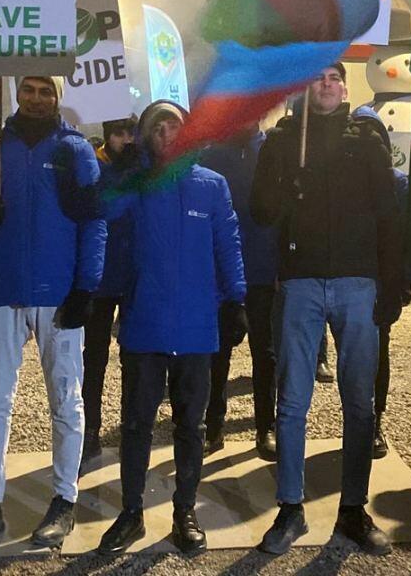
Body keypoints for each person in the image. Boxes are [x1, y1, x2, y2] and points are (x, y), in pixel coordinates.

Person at [251, 64, 403, 556]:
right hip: (300, 282)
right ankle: (290, 508)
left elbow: (389, 214)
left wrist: (392, 283)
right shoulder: (282, 141)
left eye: (335, 77)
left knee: (359, 401)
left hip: (359, 282)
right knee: (293, 401)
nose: (327, 84)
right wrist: (284, 185)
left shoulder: (367, 141)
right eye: (318, 77)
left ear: (345, 86)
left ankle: (353, 508)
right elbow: (261, 211)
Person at [97, 103, 247, 556]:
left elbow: (228, 241)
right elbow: (104, 212)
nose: (166, 134)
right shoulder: (136, 183)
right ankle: (131, 512)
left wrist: (236, 298)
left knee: (190, 426)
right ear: (145, 136)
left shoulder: (212, 185)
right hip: (144, 322)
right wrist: (123, 171)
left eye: (174, 126)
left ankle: (185, 510)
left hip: (197, 326)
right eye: (156, 128)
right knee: (136, 424)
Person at [0, 76, 104, 552]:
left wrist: (86, 286)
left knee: (66, 400)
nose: (37, 98)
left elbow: (94, 220)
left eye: (47, 91)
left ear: (58, 96)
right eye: (29, 89)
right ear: (16, 92)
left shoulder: (75, 151)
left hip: (57, 292)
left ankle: (65, 499)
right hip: (2, 290)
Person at [199, 123, 276, 460]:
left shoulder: (273, 149)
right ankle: (213, 425)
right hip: (220, 270)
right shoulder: (212, 154)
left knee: (265, 352)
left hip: (262, 267)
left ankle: (266, 426)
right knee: (217, 353)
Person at [350, 105, 410, 461]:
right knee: (349, 357)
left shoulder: (398, 183)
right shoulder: (339, 178)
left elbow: (402, 237)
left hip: (379, 281)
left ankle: (374, 421)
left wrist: (400, 282)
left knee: (377, 355)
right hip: (347, 278)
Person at [81, 116, 138, 470]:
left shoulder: (141, 167)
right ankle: (91, 428)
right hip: (101, 278)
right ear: (107, 136)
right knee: (95, 359)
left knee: (134, 357)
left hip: (132, 276)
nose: (127, 140)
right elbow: (103, 207)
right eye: (119, 133)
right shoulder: (95, 167)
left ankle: (130, 425)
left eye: (132, 133)